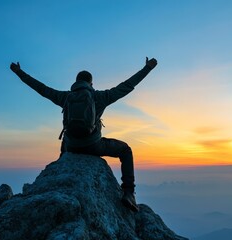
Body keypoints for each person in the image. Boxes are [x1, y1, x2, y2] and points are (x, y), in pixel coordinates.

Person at [10, 57, 158, 212]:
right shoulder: (100, 97)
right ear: (91, 84)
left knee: (66, 138)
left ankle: (62, 165)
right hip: (94, 146)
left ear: (76, 82)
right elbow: (127, 86)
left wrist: (19, 72)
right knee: (125, 150)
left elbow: (41, 88)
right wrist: (147, 68)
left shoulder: (66, 97)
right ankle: (129, 193)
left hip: (71, 147)